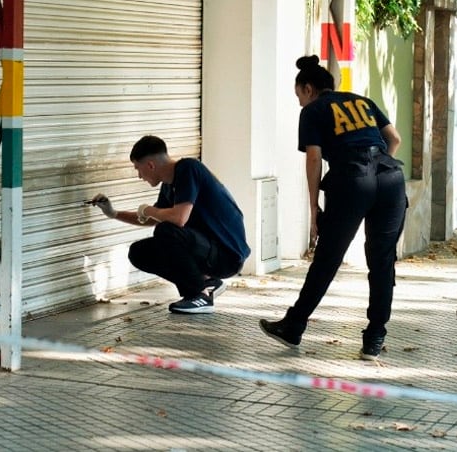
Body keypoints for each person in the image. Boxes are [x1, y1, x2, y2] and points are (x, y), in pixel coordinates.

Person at [259, 55, 407, 360]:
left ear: (309, 89)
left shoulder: (313, 111)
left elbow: (314, 159)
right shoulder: (361, 100)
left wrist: (313, 208)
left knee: (327, 259)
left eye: (299, 95)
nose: (299, 102)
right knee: (382, 261)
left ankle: (294, 325)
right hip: (391, 178)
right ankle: (374, 338)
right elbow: (394, 138)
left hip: (352, 179)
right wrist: (378, 166)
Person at [90, 135, 251, 314]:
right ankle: (205, 283)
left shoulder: (188, 169)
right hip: (208, 251)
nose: (139, 176)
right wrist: (113, 213)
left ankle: (199, 295)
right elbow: (152, 218)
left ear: (150, 165)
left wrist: (148, 210)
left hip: (226, 256)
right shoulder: (169, 185)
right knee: (139, 252)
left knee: (166, 231)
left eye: (138, 169)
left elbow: (178, 218)